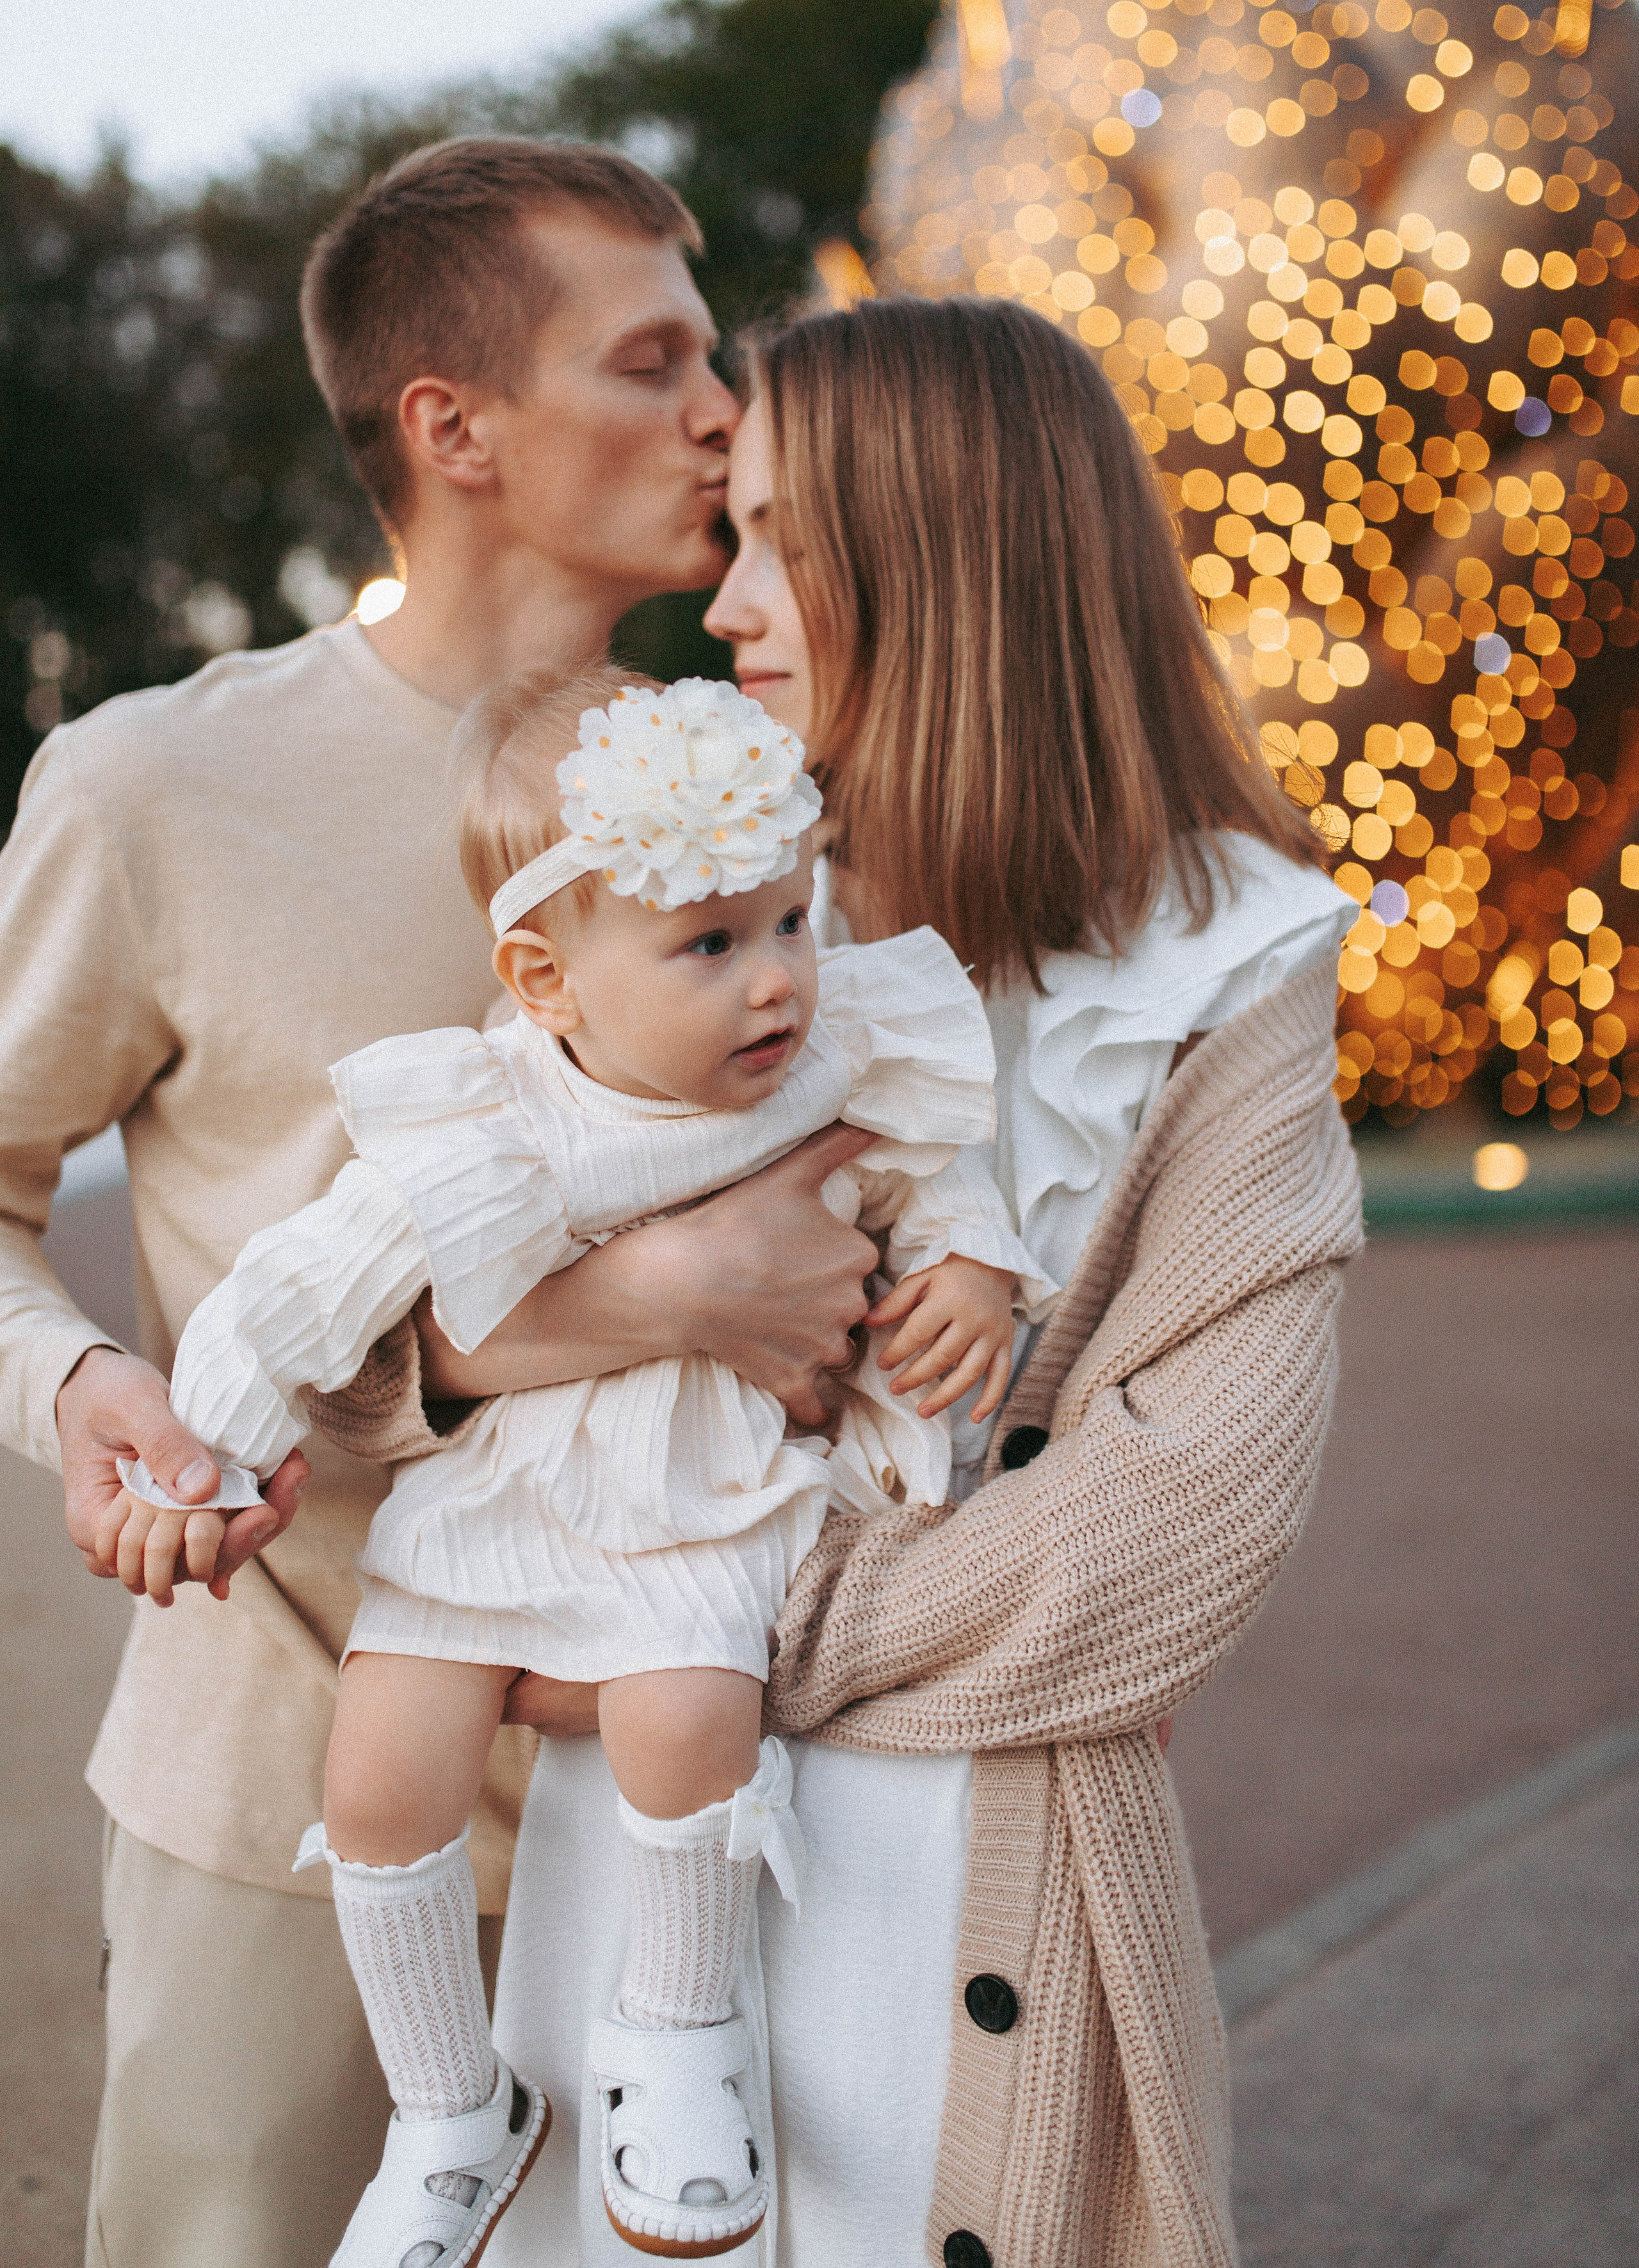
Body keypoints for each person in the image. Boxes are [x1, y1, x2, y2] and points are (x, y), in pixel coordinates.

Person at [352, 295, 1362, 2265]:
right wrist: (654, 1306)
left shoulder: (1233, 967)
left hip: (961, 1876)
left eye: (776, 540)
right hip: (645, 1885)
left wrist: (673, 1639)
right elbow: (392, 1335)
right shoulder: (682, 906)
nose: (722, 608)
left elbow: (1179, 1525)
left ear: (946, 558)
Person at [0, 136, 884, 2268]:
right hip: (301, 1798)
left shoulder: (777, 769)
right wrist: (82, 1380)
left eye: (723, 362)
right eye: (657, 360)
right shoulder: (155, 785)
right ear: (452, 427)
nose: (724, 418)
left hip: (704, 1789)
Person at [110, 664, 1049, 2263]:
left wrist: (971, 1268)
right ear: (545, 981)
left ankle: (679, 2040)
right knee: (381, 1763)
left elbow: (930, 1165)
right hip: (501, 1502)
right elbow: (304, 1291)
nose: (776, 986)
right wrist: (202, 1457)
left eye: (790, 925)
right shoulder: (494, 1120)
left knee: (690, 1710)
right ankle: (450, 2112)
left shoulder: (831, 1069)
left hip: (700, 1489)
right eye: (709, 945)